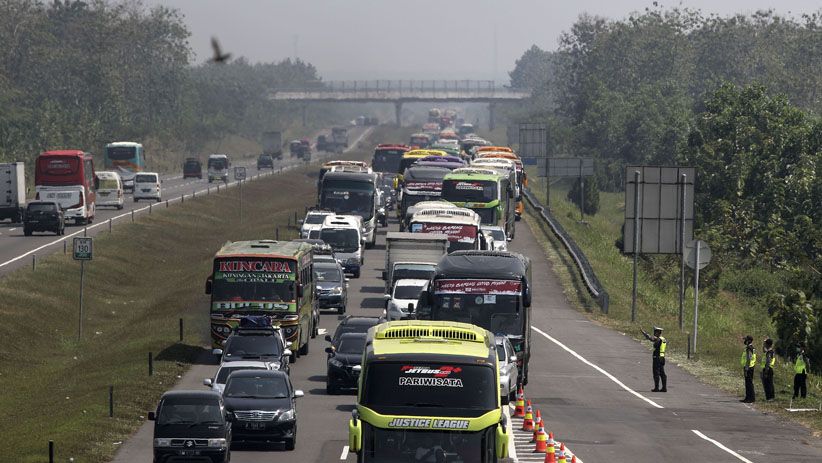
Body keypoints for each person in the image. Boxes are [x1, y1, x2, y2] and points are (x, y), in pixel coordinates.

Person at [641, 326, 667, 392]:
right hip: (662, 357)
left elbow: (653, 341)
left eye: (655, 332)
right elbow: (652, 339)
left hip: (657, 358)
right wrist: (645, 334)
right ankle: (664, 388)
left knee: (656, 373)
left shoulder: (658, 340)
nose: (654, 334)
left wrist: (645, 334)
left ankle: (656, 388)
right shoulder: (663, 339)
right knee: (662, 373)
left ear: (658, 333)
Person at [740, 335, 757, 403]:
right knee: (748, 383)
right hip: (750, 366)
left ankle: (750, 398)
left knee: (749, 383)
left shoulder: (749, 348)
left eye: (746, 340)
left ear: (749, 341)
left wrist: (746, 368)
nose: (745, 341)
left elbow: (748, 358)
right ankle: (747, 398)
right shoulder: (752, 348)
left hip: (748, 367)